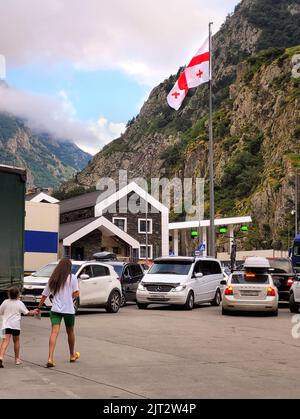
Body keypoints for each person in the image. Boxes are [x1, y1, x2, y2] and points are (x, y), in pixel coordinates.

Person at [36, 258, 80, 368]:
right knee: (70, 332)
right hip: (69, 310)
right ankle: (72, 355)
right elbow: (77, 294)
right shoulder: (72, 278)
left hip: (55, 309)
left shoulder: (53, 279)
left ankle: (50, 358)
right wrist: (70, 296)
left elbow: (44, 295)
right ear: (69, 267)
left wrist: (39, 307)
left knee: (54, 332)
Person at [0, 287, 38, 368]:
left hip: (4, 325)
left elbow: (0, 311)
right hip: (15, 325)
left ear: (8, 294)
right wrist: (34, 312)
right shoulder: (20, 303)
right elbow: (27, 313)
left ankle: (1, 357)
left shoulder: (5, 302)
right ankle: (17, 359)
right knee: (16, 341)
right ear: (18, 294)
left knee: (4, 341)